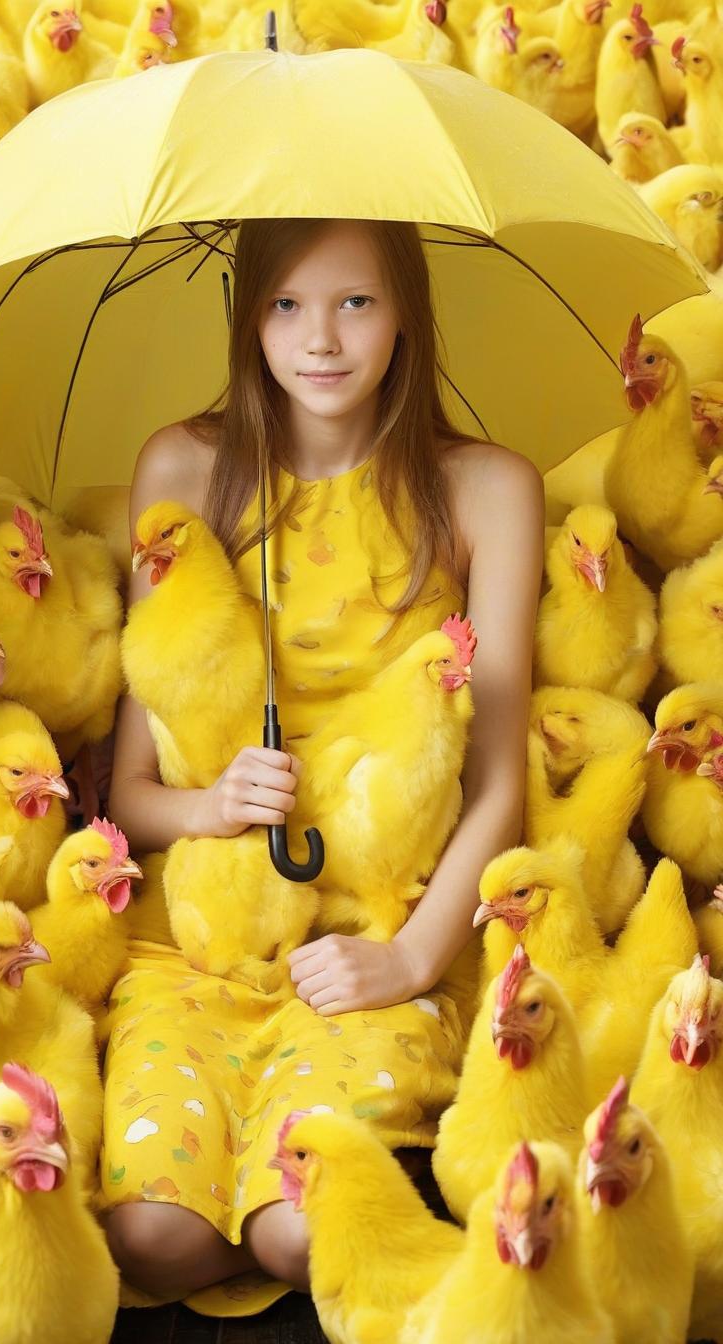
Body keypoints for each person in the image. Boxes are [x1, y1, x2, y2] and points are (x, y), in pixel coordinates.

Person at [100, 216, 544, 1318]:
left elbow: (496, 780)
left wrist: (407, 958)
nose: (323, 340)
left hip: (380, 928)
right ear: (249, 318)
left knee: (303, 1226)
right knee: (148, 1240)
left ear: (407, 314)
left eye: (357, 303)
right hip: (198, 942)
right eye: (288, 305)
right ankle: (279, 1216)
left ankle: (309, 1227)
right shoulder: (184, 468)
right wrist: (208, 801)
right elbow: (125, 799)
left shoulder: (485, 490)